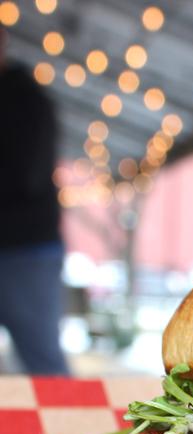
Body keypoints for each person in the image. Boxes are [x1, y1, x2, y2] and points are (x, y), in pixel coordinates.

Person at [0, 26, 68, 374]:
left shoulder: (25, 99)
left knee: (44, 364)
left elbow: (27, 174)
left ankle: (72, 413)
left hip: (24, 250)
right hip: (24, 249)